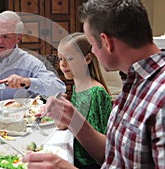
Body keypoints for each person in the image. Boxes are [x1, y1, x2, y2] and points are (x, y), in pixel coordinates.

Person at [23, 0, 165, 168]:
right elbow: (113, 156)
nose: (92, 52)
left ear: (106, 42)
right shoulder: (133, 82)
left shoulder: (160, 97)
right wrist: (73, 118)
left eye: (91, 44)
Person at [57, 32, 112, 169]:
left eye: (69, 59)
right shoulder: (77, 87)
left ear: (87, 59)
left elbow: (104, 144)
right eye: (60, 59)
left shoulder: (96, 92)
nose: (63, 64)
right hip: (76, 157)